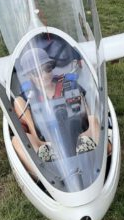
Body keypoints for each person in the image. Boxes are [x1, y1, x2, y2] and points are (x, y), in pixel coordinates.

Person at [10, 45, 101, 173]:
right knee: (17, 140)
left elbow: (87, 116)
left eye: (47, 69)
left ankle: (100, 161)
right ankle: (44, 174)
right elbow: (34, 131)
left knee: (93, 120)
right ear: (30, 75)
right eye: (36, 72)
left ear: (52, 67)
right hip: (47, 144)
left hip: (79, 136)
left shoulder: (71, 85)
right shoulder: (25, 99)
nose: (43, 75)